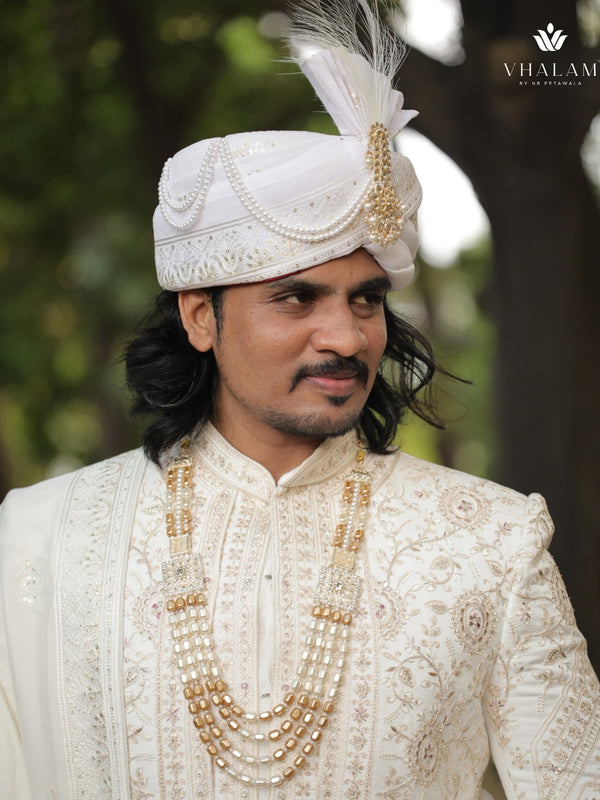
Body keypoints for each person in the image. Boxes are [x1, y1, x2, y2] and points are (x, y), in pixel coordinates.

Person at [1, 1, 599, 798]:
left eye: (365, 299)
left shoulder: (493, 542)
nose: (348, 338)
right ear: (199, 316)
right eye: (296, 298)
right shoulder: (38, 541)